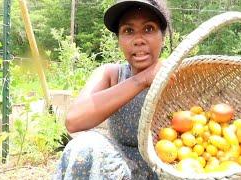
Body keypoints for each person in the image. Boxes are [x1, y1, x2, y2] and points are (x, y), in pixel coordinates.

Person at [53, 0, 172, 179]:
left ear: (162, 37)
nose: (139, 40)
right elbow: (74, 120)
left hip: (167, 171)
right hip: (117, 169)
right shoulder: (110, 74)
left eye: (148, 29)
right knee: (85, 146)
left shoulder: (178, 77)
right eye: (128, 31)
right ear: (119, 40)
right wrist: (142, 80)